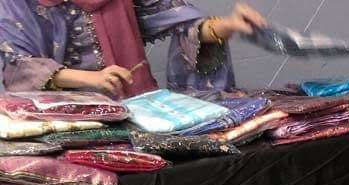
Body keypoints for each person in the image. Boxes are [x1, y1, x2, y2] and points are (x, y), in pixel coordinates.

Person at [0, 0, 267, 98]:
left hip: (139, 110)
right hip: (67, 123)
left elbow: (181, 23)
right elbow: (17, 64)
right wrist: (92, 78)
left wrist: (227, 26)